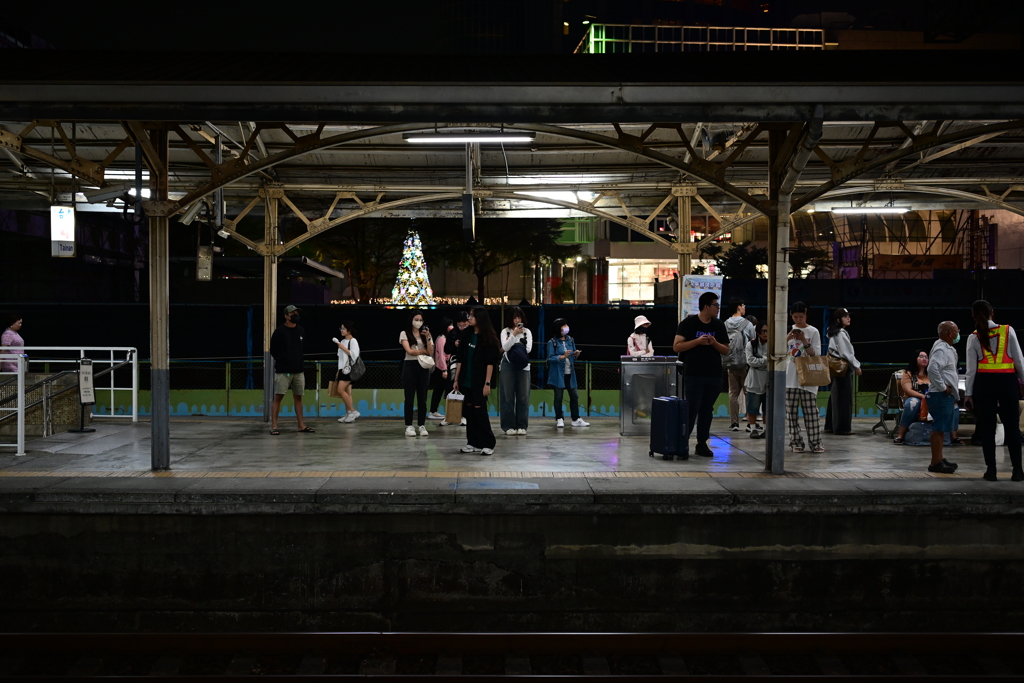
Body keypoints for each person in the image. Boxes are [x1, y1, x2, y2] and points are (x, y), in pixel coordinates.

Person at [965, 300, 1024, 481]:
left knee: (988, 430)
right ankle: (1018, 471)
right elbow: (1019, 361)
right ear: (993, 312)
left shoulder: (973, 337)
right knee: (1012, 428)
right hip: (1007, 383)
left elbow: (971, 370)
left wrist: (968, 394)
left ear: (974, 316)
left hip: (984, 385)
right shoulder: (1008, 330)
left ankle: (991, 471)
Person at [672, 291, 729, 457]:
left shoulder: (718, 325)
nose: (718, 308)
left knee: (706, 409)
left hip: (714, 375)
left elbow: (726, 350)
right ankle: (682, 443)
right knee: (691, 408)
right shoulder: (689, 323)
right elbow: (677, 346)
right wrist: (697, 341)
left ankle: (702, 443)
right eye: (715, 305)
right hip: (693, 374)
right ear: (706, 306)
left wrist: (714, 342)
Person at [453, 306, 500, 455]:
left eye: (472, 315)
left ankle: (488, 443)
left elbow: (490, 363)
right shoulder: (466, 335)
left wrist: (487, 383)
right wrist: (456, 379)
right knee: (469, 413)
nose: (469, 318)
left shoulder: (489, 339)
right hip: (465, 381)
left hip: (479, 383)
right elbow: (460, 359)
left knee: (480, 413)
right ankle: (472, 442)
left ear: (480, 318)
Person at [893, 349, 962, 446]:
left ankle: (953, 437)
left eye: (926, 357)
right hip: (916, 397)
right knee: (912, 403)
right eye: (921, 356)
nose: (924, 359)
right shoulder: (908, 373)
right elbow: (908, 390)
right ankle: (900, 435)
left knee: (953, 405)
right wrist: (923, 396)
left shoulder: (932, 374)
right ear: (915, 359)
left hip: (933, 397)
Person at [785, 301, 823, 453]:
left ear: (806, 314)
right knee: (791, 413)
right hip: (789, 376)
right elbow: (778, 351)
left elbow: (816, 354)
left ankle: (816, 443)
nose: (798, 320)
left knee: (811, 412)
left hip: (808, 376)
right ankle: (796, 442)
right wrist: (788, 338)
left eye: (800, 317)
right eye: (795, 317)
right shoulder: (788, 330)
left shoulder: (813, 331)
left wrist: (804, 341)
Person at [269, 304, 313, 435]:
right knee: (278, 397)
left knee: (298, 398)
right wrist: (284, 361)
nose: (295, 316)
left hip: (298, 371)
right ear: (286, 316)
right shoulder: (279, 331)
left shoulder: (300, 330)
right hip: (283, 371)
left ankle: (301, 425)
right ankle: (274, 426)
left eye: (296, 313)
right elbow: (273, 350)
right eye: (292, 314)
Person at [926, 321, 961, 474]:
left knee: (941, 429)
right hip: (940, 394)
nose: (958, 333)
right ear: (949, 333)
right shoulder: (941, 349)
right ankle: (935, 462)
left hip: (943, 394)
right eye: (956, 330)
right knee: (938, 428)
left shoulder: (945, 347)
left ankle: (939, 458)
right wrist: (942, 386)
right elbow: (932, 368)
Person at [824, 307, 863, 435]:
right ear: (838, 319)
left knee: (835, 397)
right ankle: (842, 428)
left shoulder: (834, 332)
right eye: (845, 316)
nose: (848, 318)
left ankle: (830, 425)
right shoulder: (841, 333)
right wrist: (856, 366)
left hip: (835, 368)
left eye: (848, 316)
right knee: (843, 398)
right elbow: (846, 353)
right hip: (842, 368)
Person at [546, 317, 590, 428]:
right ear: (558, 329)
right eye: (563, 326)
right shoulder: (552, 342)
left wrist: (575, 354)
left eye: (566, 325)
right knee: (558, 397)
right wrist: (562, 356)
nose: (566, 328)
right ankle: (559, 418)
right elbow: (550, 359)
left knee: (574, 396)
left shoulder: (570, 339)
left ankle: (576, 419)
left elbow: (572, 357)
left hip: (570, 373)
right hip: (558, 375)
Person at [723, 297, 756, 431]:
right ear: (738, 307)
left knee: (733, 393)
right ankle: (750, 422)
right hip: (745, 363)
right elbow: (753, 341)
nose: (744, 307)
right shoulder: (747, 324)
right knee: (748, 392)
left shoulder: (725, 323)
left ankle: (734, 423)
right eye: (743, 305)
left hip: (730, 361)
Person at [399, 311, 434, 437]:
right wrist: (423, 351)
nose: (418, 322)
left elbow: (430, 351)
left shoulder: (426, 334)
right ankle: (409, 425)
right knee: (409, 397)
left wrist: (428, 337)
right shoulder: (404, 333)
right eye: (416, 319)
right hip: (410, 365)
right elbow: (409, 351)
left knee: (422, 398)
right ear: (411, 320)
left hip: (423, 367)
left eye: (420, 320)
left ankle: (422, 425)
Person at [499, 306, 533, 436]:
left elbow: (528, 349)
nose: (517, 320)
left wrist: (514, 343)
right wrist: (514, 335)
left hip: (524, 367)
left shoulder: (527, 332)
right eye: (514, 318)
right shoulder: (505, 332)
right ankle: (508, 426)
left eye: (519, 317)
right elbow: (505, 346)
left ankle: (522, 425)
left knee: (523, 396)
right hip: (508, 365)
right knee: (508, 397)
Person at [440, 311, 471, 427]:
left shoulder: (471, 332)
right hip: (454, 362)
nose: (462, 327)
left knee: (465, 388)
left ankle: (464, 416)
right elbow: (447, 349)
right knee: (450, 387)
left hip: (467, 363)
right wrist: (455, 344)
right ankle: (449, 416)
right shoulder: (453, 332)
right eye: (460, 325)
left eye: (464, 325)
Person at [745, 322, 769, 439]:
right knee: (753, 407)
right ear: (758, 332)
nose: (765, 334)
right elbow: (750, 361)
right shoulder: (751, 344)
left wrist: (759, 361)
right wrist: (765, 361)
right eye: (763, 331)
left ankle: (765, 429)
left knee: (767, 407)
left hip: (768, 381)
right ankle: (753, 429)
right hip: (754, 380)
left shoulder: (773, 344)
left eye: (767, 331)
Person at [427, 317, 453, 421]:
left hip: (442, 368)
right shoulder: (442, 339)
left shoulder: (443, 338)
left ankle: (433, 411)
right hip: (441, 368)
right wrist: (444, 370)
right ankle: (451, 413)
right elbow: (442, 356)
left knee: (438, 390)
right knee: (448, 389)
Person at [334, 320, 361, 423]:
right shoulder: (342, 341)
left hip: (349, 369)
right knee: (347, 392)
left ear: (349, 330)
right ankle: (349, 414)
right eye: (341, 328)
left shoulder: (353, 341)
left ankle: (352, 411)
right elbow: (340, 357)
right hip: (342, 369)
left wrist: (343, 348)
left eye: (343, 328)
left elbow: (354, 355)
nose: (341, 330)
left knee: (340, 390)